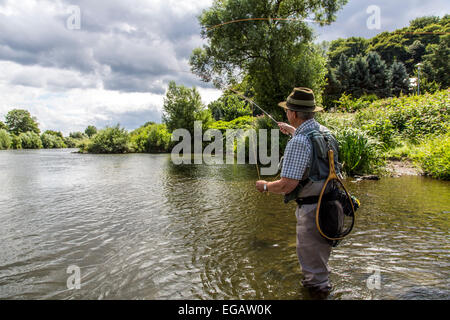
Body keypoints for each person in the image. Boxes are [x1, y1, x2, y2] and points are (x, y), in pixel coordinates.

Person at [255, 87, 341, 299]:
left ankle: (318, 293)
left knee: (315, 278)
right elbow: (314, 151)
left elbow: (287, 185)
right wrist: (292, 131)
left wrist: (265, 185)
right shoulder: (326, 133)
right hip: (332, 208)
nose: (286, 114)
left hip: (313, 213)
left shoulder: (299, 142)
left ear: (293, 113)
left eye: (287, 111)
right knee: (320, 261)